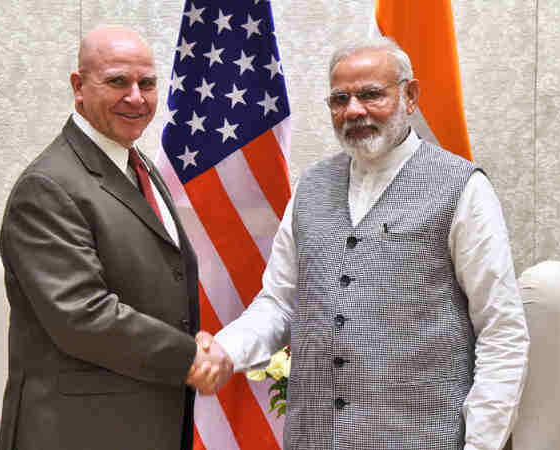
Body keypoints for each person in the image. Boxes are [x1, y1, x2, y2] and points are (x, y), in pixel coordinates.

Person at [203, 37, 530, 450]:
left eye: (371, 94)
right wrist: (225, 350)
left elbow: (502, 332)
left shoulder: (463, 188)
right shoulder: (310, 188)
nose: (354, 111)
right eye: (340, 99)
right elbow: (280, 303)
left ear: (410, 96)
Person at [0, 25, 229, 450]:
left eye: (148, 83)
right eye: (118, 81)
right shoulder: (49, 186)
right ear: (78, 87)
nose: (136, 97)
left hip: (143, 422)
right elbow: (82, 315)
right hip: (78, 431)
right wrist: (187, 356)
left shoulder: (133, 162)